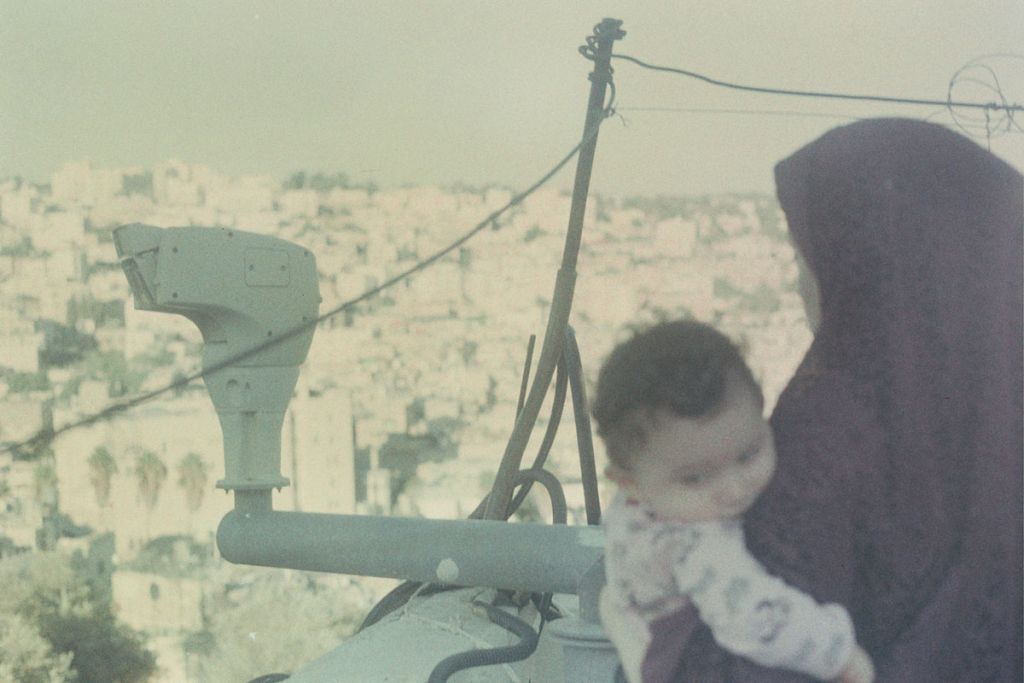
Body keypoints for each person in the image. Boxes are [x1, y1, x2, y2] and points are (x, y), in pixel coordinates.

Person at [626, 119, 1022, 682]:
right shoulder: (999, 416)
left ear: (862, 263)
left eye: (803, 258)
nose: (798, 284)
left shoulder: (826, 439)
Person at [593, 319, 875, 683]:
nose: (734, 488)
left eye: (747, 454)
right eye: (695, 478)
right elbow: (756, 622)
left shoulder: (648, 498)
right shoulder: (692, 545)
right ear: (629, 483)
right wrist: (839, 653)